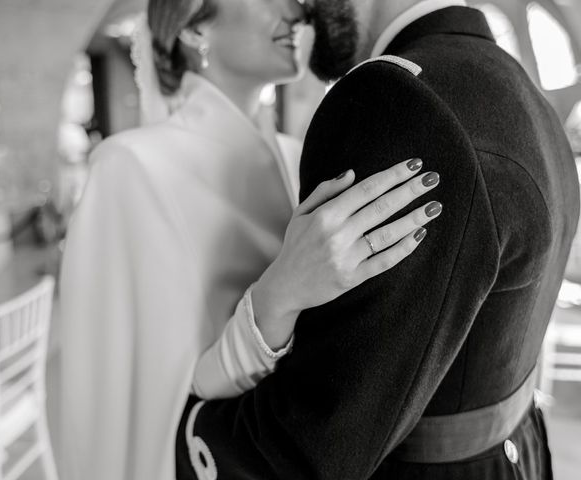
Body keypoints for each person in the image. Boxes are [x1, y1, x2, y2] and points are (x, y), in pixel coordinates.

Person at [175, 1, 580, 480]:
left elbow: (315, 446)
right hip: (517, 455)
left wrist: (193, 425)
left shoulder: (396, 99)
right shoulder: (515, 83)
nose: (303, 9)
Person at [58, 0, 443, 479]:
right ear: (194, 30)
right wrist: (278, 297)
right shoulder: (129, 167)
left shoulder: (297, 155)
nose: (300, 11)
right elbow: (129, 399)